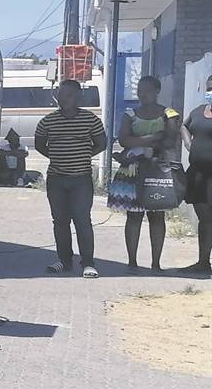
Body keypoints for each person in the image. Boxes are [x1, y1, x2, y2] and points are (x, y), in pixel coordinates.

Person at [34, 78, 108, 277]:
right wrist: (58, 156)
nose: (63, 98)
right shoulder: (47, 121)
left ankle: (88, 263)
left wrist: (83, 155)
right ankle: (64, 260)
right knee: (60, 221)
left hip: (81, 179)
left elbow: (101, 143)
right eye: (60, 94)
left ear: (78, 97)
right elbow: (40, 145)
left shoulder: (90, 119)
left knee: (82, 220)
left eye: (68, 94)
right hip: (56, 179)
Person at [107, 76, 180, 271]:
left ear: (157, 91)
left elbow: (170, 139)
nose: (142, 94)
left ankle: (156, 264)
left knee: (157, 216)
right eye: (139, 90)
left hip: (157, 170)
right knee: (134, 216)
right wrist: (153, 137)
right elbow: (123, 140)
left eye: (147, 90)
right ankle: (132, 262)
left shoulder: (169, 113)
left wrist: (138, 140)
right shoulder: (130, 114)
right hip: (134, 170)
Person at [183, 74, 212, 276]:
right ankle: (203, 262)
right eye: (209, 88)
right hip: (198, 176)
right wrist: (188, 142)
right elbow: (184, 126)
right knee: (205, 219)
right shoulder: (198, 112)